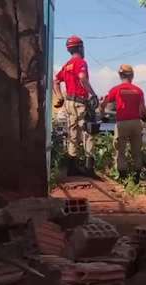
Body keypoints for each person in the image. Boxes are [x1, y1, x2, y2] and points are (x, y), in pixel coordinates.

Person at [53, 35, 99, 178]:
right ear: (80, 48)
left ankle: (72, 168)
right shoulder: (80, 62)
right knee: (88, 132)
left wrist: (60, 97)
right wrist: (93, 94)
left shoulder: (67, 65)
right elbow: (82, 78)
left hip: (68, 102)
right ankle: (89, 169)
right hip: (80, 102)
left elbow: (55, 81)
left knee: (73, 134)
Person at [99, 64, 146, 184]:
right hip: (136, 123)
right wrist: (144, 117)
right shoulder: (138, 90)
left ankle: (124, 179)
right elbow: (142, 110)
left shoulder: (116, 89)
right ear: (132, 75)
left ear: (120, 75)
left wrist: (102, 114)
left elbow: (103, 102)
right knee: (137, 152)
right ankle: (136, 179)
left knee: (121, 152)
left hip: (122, 124)